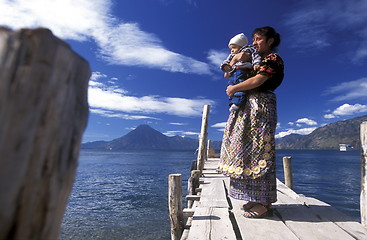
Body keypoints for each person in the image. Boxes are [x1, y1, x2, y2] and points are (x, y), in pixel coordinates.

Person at [217, 26, 284, 218]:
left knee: (261, 149)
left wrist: (234, 88)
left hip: (261, 105)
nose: (254, 42)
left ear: (270, 41)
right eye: (253, 39)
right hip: (249, 106)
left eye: (258, 39)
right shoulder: (255, 59)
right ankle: (254, 198)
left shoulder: (272, 59)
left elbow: (260, 80)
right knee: (246, 150)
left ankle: (265, 202)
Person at [220, 33, 261, 112]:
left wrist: (256, 63)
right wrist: (225, 67)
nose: (232, 50)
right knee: (230, 87)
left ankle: (237, 103)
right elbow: (226, 62)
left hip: (242, 70)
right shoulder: (232, 55)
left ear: (242, 46)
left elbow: (256, 56)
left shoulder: (248, 50)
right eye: (231, 48)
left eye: (234, 47)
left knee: (240, 85)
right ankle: (232, 102)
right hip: (233, 73)